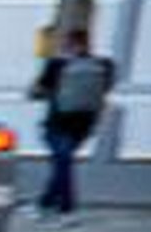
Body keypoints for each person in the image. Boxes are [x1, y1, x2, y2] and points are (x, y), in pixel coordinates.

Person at [28, 23, 114, 216]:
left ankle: (66, 208)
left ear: (68, 43)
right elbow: (105, 89)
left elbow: (39, 90)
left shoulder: (57, 64)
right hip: (85, 123)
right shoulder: (104, 64)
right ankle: (45, 204)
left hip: (58, 121)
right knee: (63, 162)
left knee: (63, 162)